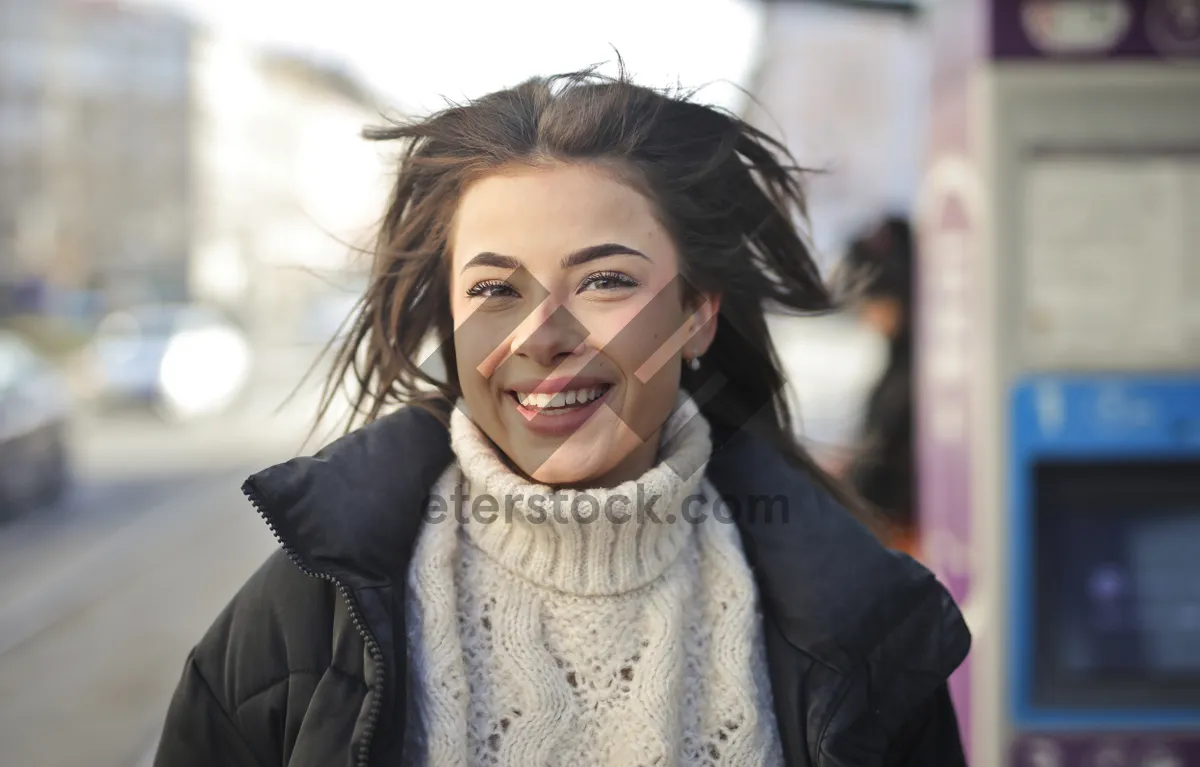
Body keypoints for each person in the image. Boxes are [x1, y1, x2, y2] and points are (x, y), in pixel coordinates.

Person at [153, 68, 969, 767]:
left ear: (697, 313)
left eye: (605, 280)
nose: (541, 337)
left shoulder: (862, 625)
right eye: (494, 288)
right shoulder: (302, 618)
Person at [841, 217, 919, 557]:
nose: (864, 314)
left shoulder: (917, 372)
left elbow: (886, 464)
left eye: (870, 299)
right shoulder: (904, 361)